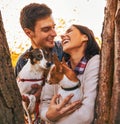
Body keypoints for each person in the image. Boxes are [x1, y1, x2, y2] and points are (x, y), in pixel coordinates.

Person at [15, 3, 81, 123]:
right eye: (46, 29)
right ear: (29, 33)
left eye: (53, 27)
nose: (54, 33)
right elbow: (20, 106)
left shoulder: (65, 50)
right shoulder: (22, 63)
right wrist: (32, 98)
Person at [40, 24, 100, 124]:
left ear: (84, 37)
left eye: (69, 31)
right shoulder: (55, 69)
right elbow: (44, 103)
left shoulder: (94, 62)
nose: (62, 36)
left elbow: (86, 115)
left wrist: (53, 120)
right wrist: (49, 115)